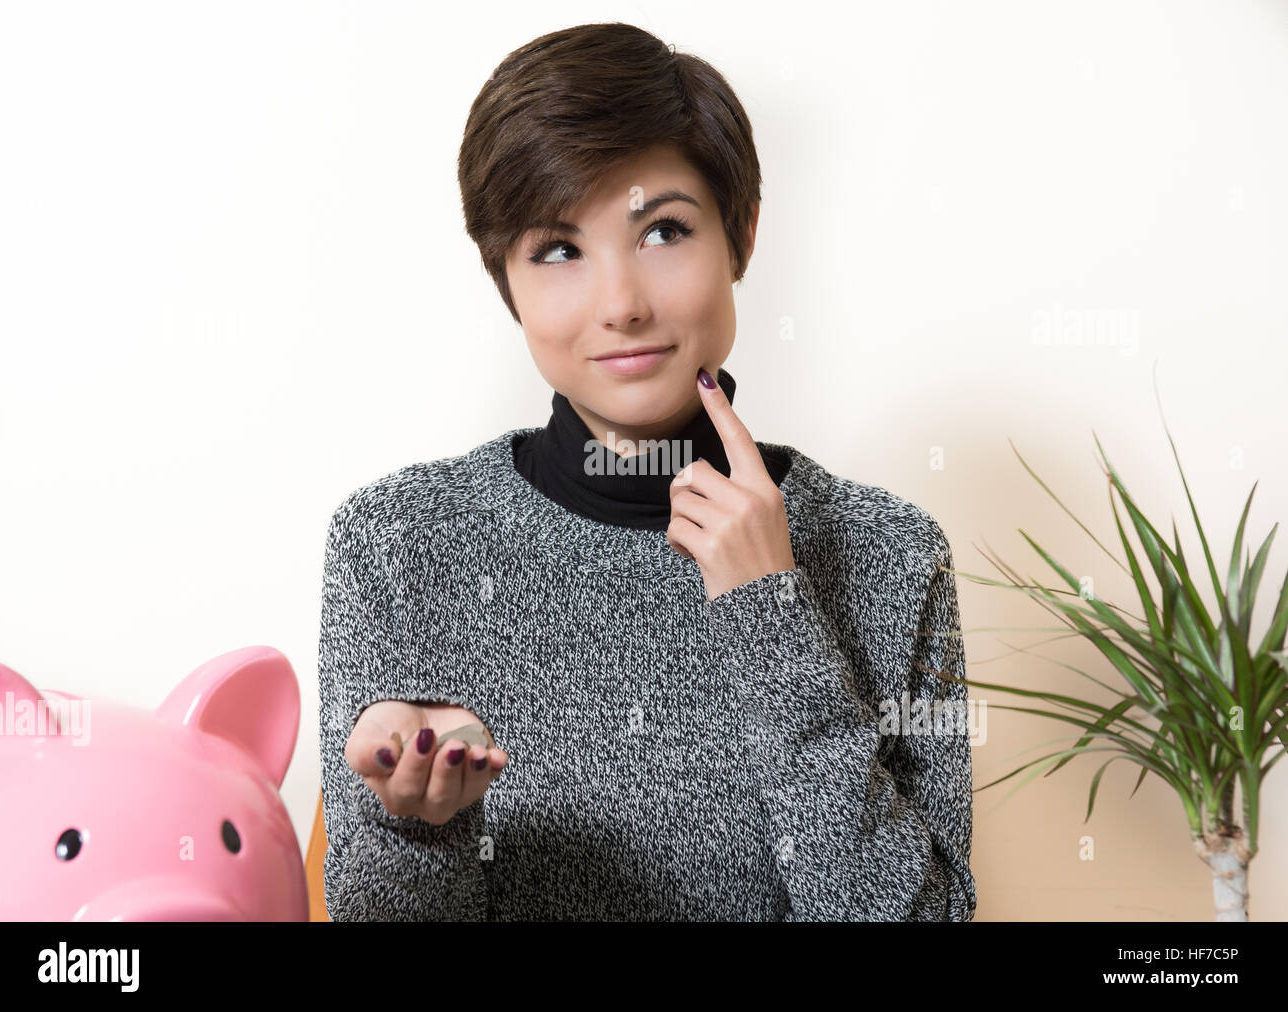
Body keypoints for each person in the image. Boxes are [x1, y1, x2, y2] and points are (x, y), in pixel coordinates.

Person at [317, 21, 978, 921]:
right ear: (504, 281)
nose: (622, 304)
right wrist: (422, 826)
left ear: (741, 234)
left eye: (663, 231)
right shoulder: (397, 545)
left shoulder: (891, 552)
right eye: (557, 250)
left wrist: (772, 615)